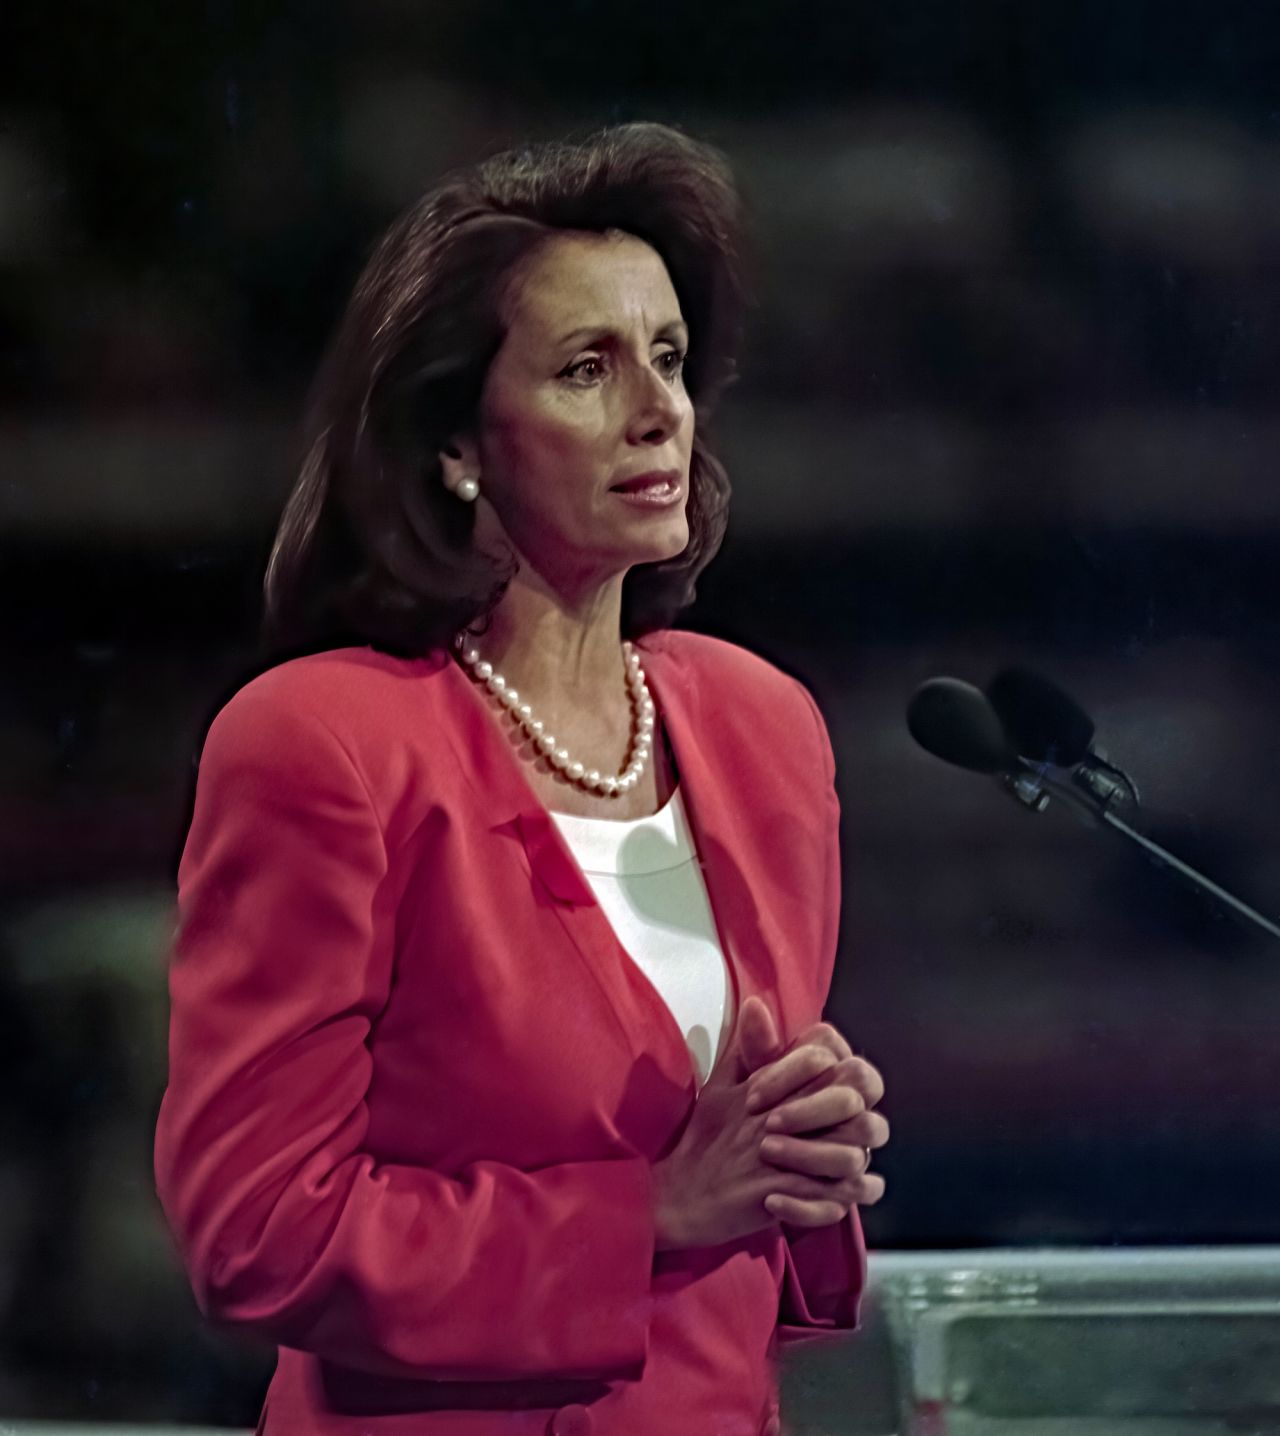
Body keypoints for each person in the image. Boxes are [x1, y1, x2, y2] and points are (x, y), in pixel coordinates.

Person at [154, 121, 890, 1436]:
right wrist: (647, 1212)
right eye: (586, 368)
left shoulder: (763, 724)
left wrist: (800, 1147)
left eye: (668, 358)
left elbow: (741, 1210)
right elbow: (255, 1230)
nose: (658, 406)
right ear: (457, 442)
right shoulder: (324, 743)